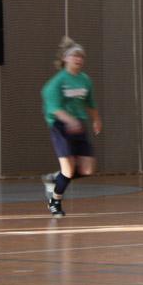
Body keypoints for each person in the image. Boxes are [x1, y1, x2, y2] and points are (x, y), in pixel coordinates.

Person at [41, 36, 101, 217]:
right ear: (65, 58)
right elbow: (54, 108)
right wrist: (69, 120)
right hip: (61, 126)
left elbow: (90, 102)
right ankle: (55, 201)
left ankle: (54, 178)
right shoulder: (56, 82)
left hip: (79, 125)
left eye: (81, 56)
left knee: (87, 169)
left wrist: (96, 119)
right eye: (74, 55)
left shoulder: (85, 80)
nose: (78, 59)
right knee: (68, 170)